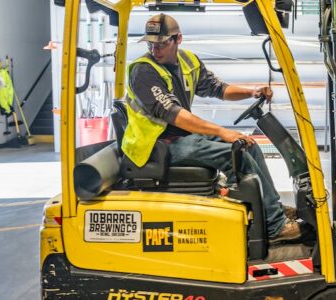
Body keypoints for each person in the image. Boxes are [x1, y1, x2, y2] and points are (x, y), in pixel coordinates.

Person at [123, 13, 299, 243]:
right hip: (156, 147)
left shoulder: (188, 61)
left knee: (249, 146)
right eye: (151, 43)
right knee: (235, 155)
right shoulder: (144, 71)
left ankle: (271, 209)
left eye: (162, 43)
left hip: (179, 138)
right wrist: (221, 131)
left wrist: (251, 92)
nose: (155, 49)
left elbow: (219, 89)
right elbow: (174, 115)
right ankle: (275, 226)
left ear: (178, 39)